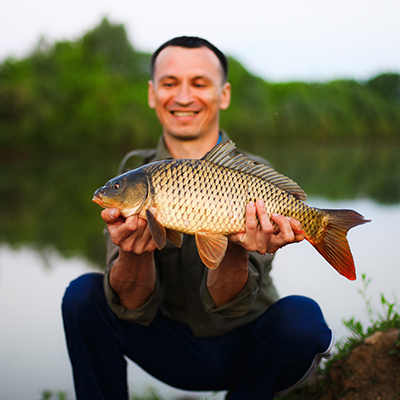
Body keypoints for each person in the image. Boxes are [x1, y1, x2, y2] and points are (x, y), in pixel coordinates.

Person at [62, 36, 334, 400]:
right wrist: (133, 252)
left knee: (302, 320)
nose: (184, 96)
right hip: (168, 344)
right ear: (152, 93)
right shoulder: (136, 171)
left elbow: (230, 304)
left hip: (246, 341)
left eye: (200, 83)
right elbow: (128, 306)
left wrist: (236, 247)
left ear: (223, 94)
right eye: (170, 83)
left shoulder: (253, 174)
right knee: (83, 296)